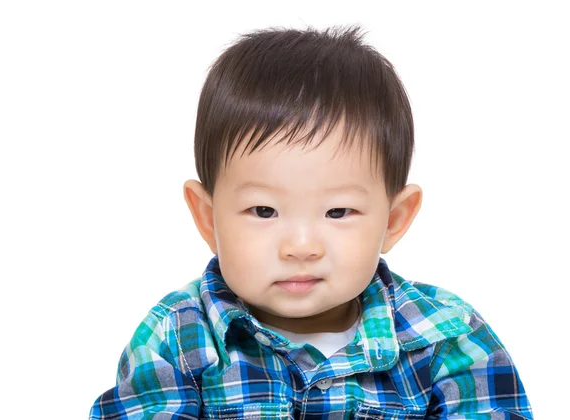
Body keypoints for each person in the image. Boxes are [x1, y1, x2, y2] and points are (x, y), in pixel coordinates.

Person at [89, 25, 532, 419]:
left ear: (394, 220)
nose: (301, 246)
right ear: (208, 218)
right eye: (264, 211)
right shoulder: (176, 339)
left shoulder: (447, 338)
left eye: (338, 212)